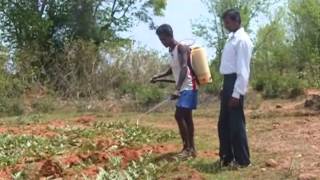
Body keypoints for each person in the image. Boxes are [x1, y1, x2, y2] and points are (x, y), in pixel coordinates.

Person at [151, 24, 198, 158]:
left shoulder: (181, 48)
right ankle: (191, 149)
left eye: (163, 39)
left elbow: (183, 68)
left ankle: (187, 148)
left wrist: (177, 90)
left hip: (188, 86)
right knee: (187, 117)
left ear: (169, 36)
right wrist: (158, 76)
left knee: (179, 115)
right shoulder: (171, 51)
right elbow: (172, 69)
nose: (162, 42)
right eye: (160, 40)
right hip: (183, 87)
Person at [218, 9, 253, 167]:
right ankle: (227, 157)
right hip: (228, 82)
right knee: (223, 123)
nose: (226, 25)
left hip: (235, 83)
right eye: (224, 22)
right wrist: (224, 87)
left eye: (228, 22)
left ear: (236, 21)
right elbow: (228, 67)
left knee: (236, 124)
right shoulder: (231, 39)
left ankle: (242, 160)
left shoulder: (242, 40)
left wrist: (237, 93)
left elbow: (243, 70)